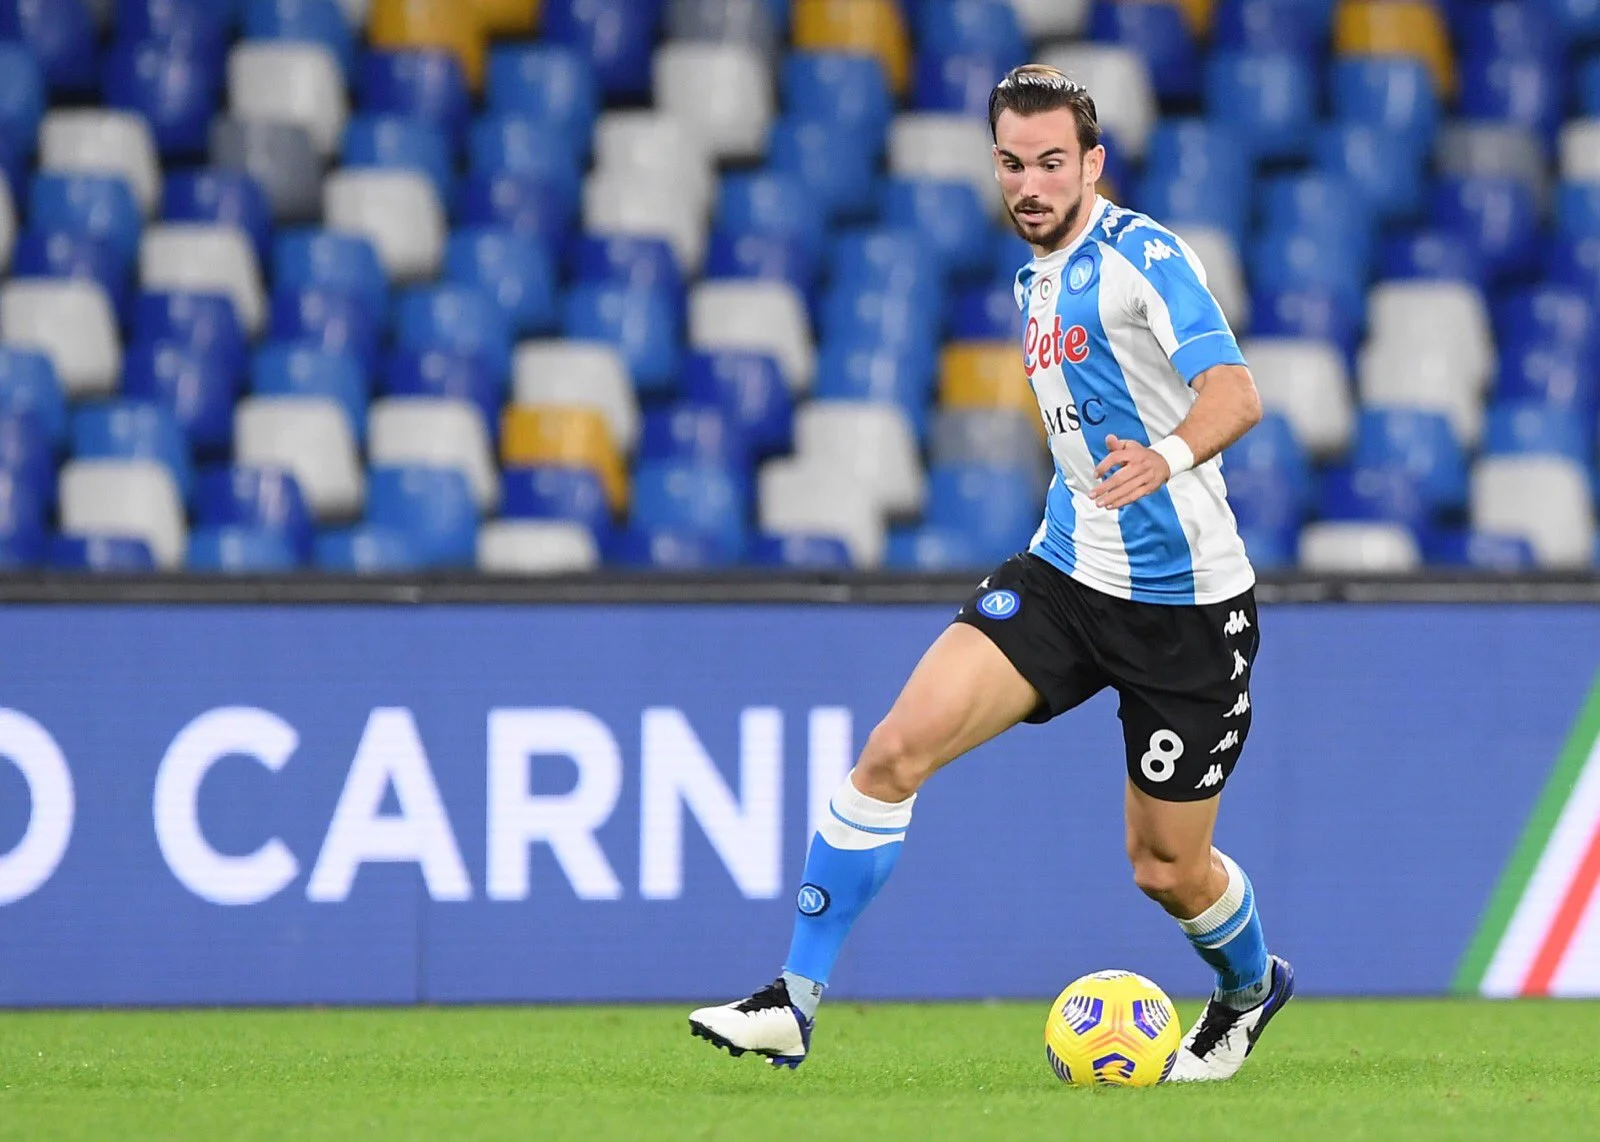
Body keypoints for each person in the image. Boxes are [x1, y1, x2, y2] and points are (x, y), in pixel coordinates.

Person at [689, 64, 1293, 1082]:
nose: (1030, 184)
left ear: (1093, 164)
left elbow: (1236, 392)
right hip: (1066, 574)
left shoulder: (1142, 256)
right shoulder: (1034, 279)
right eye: (1012, 163)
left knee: (1166, 867)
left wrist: (1166, 456)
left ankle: (1246, 987)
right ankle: (792, 1000)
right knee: (893, 751)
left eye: (1052, 162)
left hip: (1186, 610)